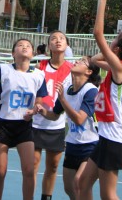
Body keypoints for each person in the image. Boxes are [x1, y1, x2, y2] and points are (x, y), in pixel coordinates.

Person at [78, 0, 122, 200]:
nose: (110, 40)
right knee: (82, 184)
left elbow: (97, 33)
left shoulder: (120, 69)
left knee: (108, 195)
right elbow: (94, 60)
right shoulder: (119, 68)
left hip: (115, 139)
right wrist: (107, 53)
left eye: (113, 40)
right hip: (106, 136)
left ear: (116, 50)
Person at [0, 38, 48, 200]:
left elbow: (40, 99)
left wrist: (35, 108)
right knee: (1, 171)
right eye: (20, 45)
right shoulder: (4, 70)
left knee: (29, 170)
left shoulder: (38, 75)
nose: (24, 47)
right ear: (13, 53)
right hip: (3, 124)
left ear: (33, 53)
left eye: (28, 46)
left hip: (24, 125)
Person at [36, 55, 101, 200]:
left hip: (91, 144)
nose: (77, 61)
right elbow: (54, 115)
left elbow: (79, 119)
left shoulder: (91, 91)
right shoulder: (67, 89)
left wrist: (63, 100)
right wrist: (41, 110)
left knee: (80, 182)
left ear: (89, 72)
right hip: (72, 144)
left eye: (83, 61)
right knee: (69, 188)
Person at [32, 30, 73, 200]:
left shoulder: (72, 69)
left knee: (53, 166)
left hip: (56, 123)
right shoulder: (39, 67)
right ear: (49, 45)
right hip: (36, 123)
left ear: (67, 45)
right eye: (54, 39)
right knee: (33, 165)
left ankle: (46, 197)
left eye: (61, 38)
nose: (58, 41)